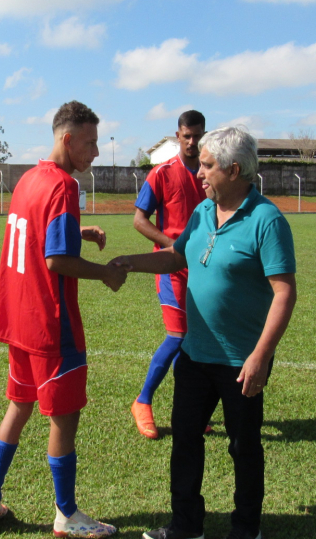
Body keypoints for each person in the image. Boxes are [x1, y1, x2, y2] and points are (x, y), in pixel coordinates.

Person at [110, 126, 297, 539]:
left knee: (244, 448)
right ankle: (186, 526)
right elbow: (177, 256)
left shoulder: (267, 220)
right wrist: (131, 262)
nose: (200, 173)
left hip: (240, 361)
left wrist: (260, 356)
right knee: (186, 443)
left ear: (234, 169)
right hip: (194, 355)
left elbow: (284, 294)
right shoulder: (202, 212)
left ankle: (246, 530)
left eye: (208, 166)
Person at [0, 101, 125, 538]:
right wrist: (105, 274)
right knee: (64, 415)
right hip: (50, 323)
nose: (96, 152)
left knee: (19, 405)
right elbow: (57, 259)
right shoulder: (63, 187)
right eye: (91, 142)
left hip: (16, 317)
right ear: (68, 139)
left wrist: (81, 231)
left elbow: (34, 230)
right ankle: (67, 515)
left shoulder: (28, 179)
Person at [130, 110, 208, 440]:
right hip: (170, 268)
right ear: (177, 135)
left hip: (203, 270)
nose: (192, 142)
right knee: (178, 336)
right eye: (186, 136)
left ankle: (185, 410)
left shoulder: (210, 175)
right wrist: (172, 243)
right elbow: (139, 220)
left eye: (197, 136)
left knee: (192, 342)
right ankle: (142, 401)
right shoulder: (161, 174)